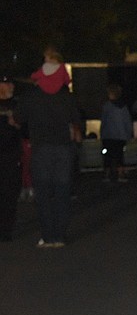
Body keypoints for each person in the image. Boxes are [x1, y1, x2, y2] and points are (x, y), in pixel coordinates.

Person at [14, 51, 81, 248]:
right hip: (62, 148)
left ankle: (48, 235)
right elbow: (76, 122)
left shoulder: (32, 96)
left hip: (41, 148)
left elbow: (18, 119)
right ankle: (59, 236)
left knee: (43, 193)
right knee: (62, 192)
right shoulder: (66, 97)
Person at [0, 73, 22, 240]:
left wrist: (17, 125)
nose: (11, 87)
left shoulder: (17, 105)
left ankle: (6, 230)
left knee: (9, 192)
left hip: (10, 155)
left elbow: (25, 126)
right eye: (7, 84)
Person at [100, 83, 132, 182]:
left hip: (108, 135)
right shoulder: (123, 107)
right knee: (119, 156)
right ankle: (120, 174)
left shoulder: (107, 106)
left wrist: (101, 133)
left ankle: (107, 174)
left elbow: (103, 121)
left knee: (107, 156)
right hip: (120, 136)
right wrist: (128, 134)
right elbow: (127, 122)